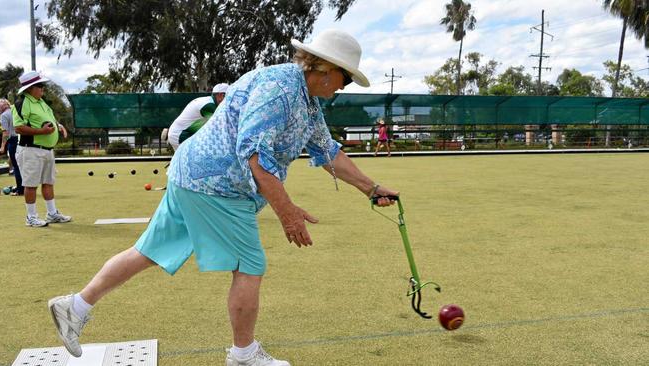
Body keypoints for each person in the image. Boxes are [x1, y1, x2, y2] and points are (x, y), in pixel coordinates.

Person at [48, 29, 398, 366]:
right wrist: (286, 212)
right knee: (249, 265)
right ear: (324, 69)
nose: (343, 86)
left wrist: (372, 188)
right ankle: (243, 355)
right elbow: (254, 155)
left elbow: (329, 151)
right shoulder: (279, 89)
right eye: (345, 78)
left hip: (193, 175)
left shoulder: (306, 102)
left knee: (148, 251)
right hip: (216, 185)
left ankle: (74, 307)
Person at [13, 71, 71, 227]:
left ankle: (52, 214)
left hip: (46, 150)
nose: (43, 88)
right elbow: (18, 127)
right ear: (30, 88)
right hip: (30, 150)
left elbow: (48, 120)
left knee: (48, 182)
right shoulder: (22, 103)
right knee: (31, 184)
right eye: (40, 85)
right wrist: (42, 132)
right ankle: (31, 217)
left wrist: (58, 126)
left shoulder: (41, 102)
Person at [163, 83, 229, 150]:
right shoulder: (209, 106)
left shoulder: (207, 101)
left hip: (179, 133)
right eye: (227, 97)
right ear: (220, 95)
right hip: (180, 134)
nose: (228, 101)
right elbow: (223, 124)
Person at [0, 99, 23, 195]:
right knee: (20, 166)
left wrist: (2, 146)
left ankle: (20, 190)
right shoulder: (15, 111)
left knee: (16, 166)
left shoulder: (4, 115)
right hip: (21, 140)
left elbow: (5, 133)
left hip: (12, 141)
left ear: (3, 106)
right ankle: (22, 188)